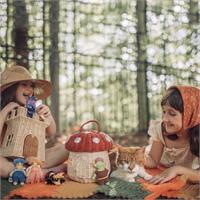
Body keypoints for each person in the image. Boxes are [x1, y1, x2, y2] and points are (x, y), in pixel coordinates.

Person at [0, 64, 68, 178]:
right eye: (24, 85)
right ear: (11, 89)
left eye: (31, 85)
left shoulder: (31, 109)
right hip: (6, 159)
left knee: (66, 148)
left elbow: (51, 133)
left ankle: (29, 170)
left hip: (31, 158)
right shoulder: (3, 109)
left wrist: (48, 116)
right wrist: (7, 109)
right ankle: (42, 172)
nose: (30, 89)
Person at [144, 85, 200, 184]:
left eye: (172, 113)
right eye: (164, 111)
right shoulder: (161, 129)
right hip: (161, 160)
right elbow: (152, 160)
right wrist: (134, 157)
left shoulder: (197, 137)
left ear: (190, 115)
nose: (165, 119)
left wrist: (176, 170)